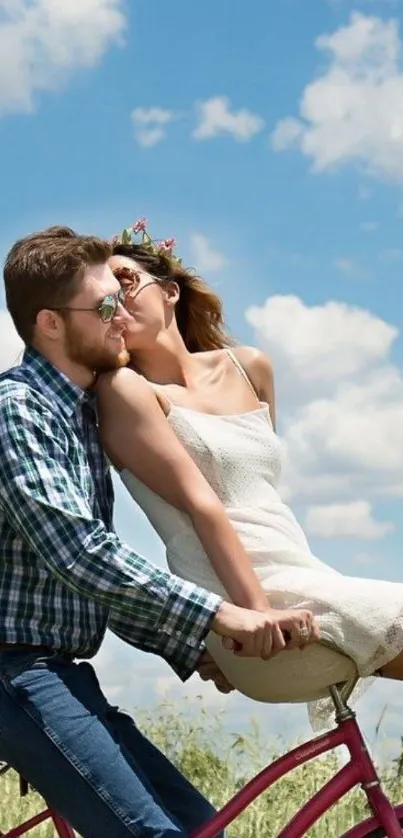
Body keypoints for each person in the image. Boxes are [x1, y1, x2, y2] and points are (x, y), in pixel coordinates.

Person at [0, 225, 316, 838]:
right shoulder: (19, 411)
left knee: (204, 829)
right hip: (16, 672)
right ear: (51, 324)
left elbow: (95, 583)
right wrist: (221, 616)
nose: (121, 318)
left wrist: (191, 648)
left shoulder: (79, 415)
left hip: (58, 671)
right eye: (105, 305)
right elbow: (82, 555)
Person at [97, 219, 403, 730]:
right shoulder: (124, 390)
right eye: (104, 298)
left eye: (126, 281)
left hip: (305, 578)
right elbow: (203, 507)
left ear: (170, 291)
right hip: (246, 605)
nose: (117, 301)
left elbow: (262, 500)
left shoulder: (250, 367)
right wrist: (255, 613)